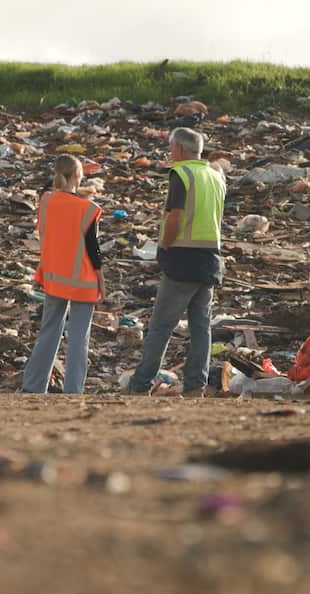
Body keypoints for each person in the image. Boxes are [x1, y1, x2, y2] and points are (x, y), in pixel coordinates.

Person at [127, 127, 226, 396]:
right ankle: (195, 386)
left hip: (183, 259)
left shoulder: (182, 173)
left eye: (171, 148)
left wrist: (164, 246)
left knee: (161, 326)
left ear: (180, 149)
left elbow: (175, 217)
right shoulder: (216, 176)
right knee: (201, 328)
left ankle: (140, 384)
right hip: (210, 259)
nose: (170, 153)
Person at [21, 155, 105, 394]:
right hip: (82, 281)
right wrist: (101, 279)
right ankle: (73, 392)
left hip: (54, 277)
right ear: (78, 175)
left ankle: (33, 387)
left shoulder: (46, 200)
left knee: (48, 332)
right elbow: (93, 248)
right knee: (78, 339)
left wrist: (72, 186)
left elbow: (49, 190)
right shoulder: (87, 208)